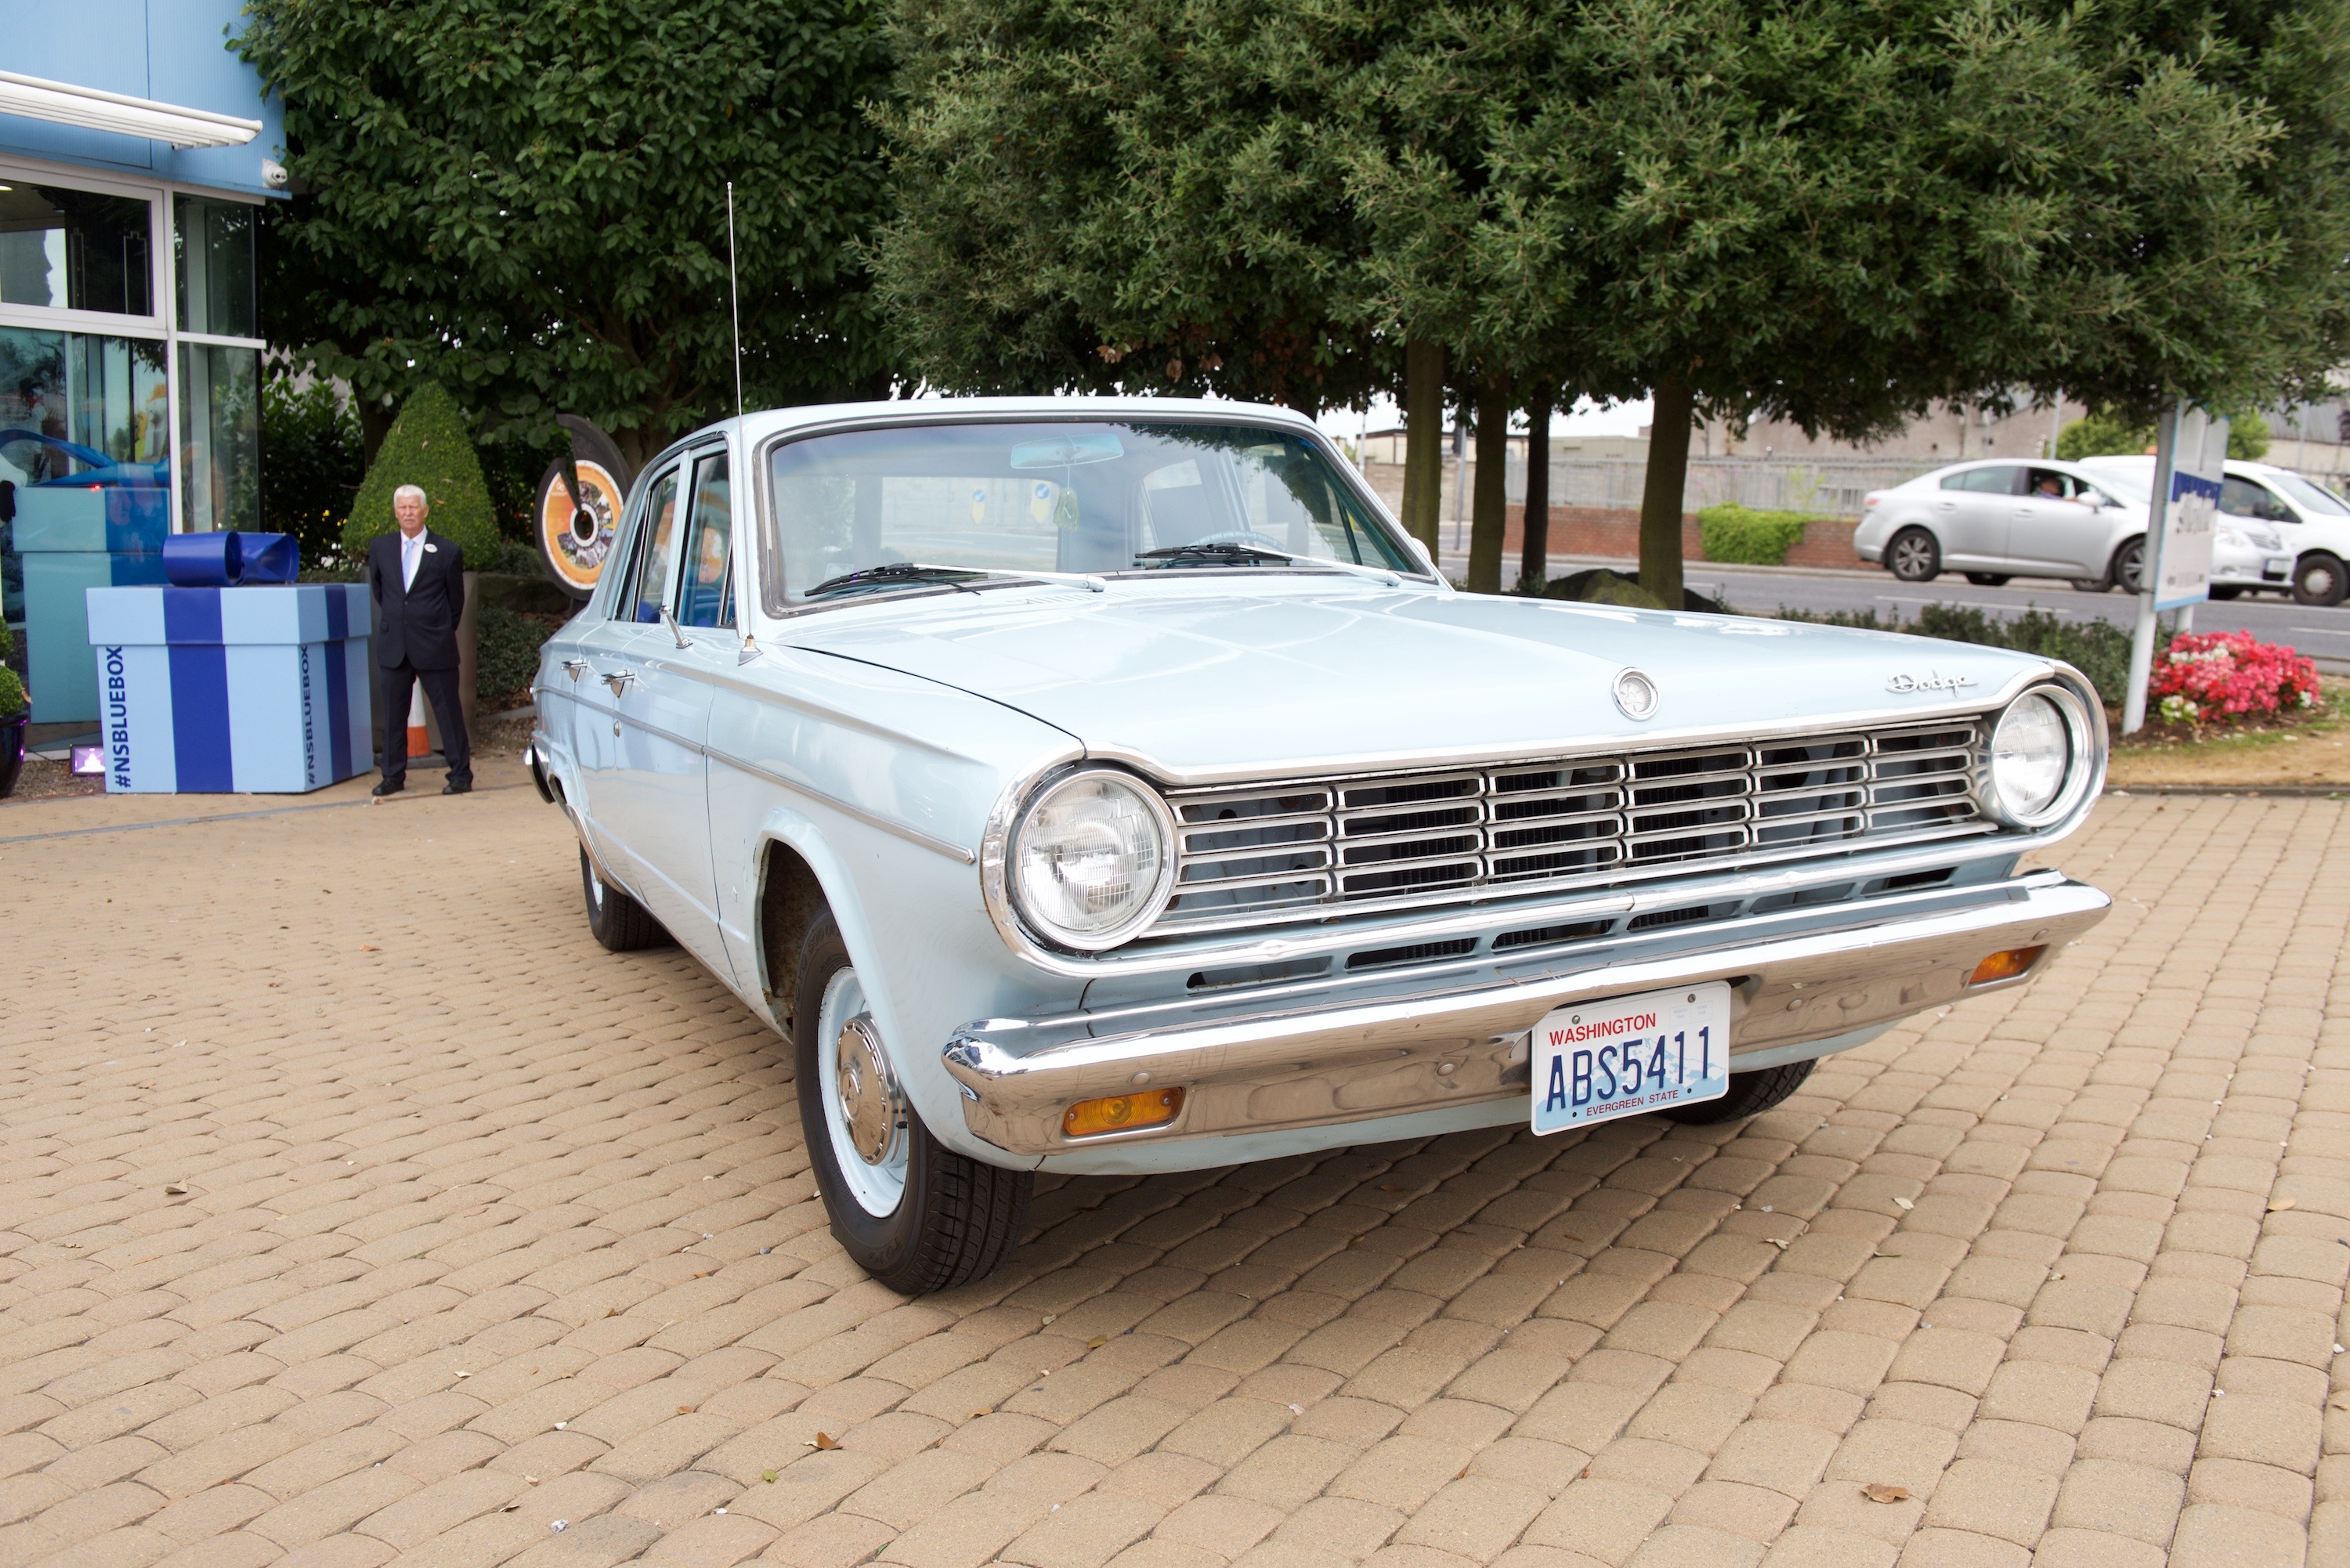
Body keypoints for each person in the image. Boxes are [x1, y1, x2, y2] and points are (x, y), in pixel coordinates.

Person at [367, 484, 472, 796]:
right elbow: (381, 591)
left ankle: (460, 775)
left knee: (448, 713)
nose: (408, 513)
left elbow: (456, 602)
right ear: (395, 512)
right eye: (402, 508)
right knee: (393, 714)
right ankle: (392, 777)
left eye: (414, 507)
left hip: (434, 644)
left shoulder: (448, 551)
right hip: (394, 645)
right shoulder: (380, 548)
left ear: (425, 511)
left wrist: (436, 627)